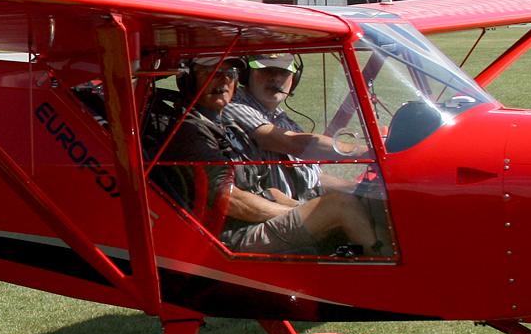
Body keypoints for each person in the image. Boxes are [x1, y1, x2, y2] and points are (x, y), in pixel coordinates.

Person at [158, 56, 379, 256]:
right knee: (340, 206)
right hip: (228, 239)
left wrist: (303, 209)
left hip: (253, 219)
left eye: (230, 74)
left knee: (359, 203)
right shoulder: (191, 132)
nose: (223, 82)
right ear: (187, 81)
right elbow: (229, 200)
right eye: (213, 74)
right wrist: (301, 213)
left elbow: (266, 187)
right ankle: (384, 268)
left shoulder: (226, 124)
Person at [221, 53, 345, 200]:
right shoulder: (233, 106)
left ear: (294, 78)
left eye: (284, 72)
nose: (276, 78)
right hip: (273, 212)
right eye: (267, 70)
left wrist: (358, 188)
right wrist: (361, 151)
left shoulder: (281, 118)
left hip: (298, 207)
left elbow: (314, 179)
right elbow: (293, 144)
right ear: (246, 75)